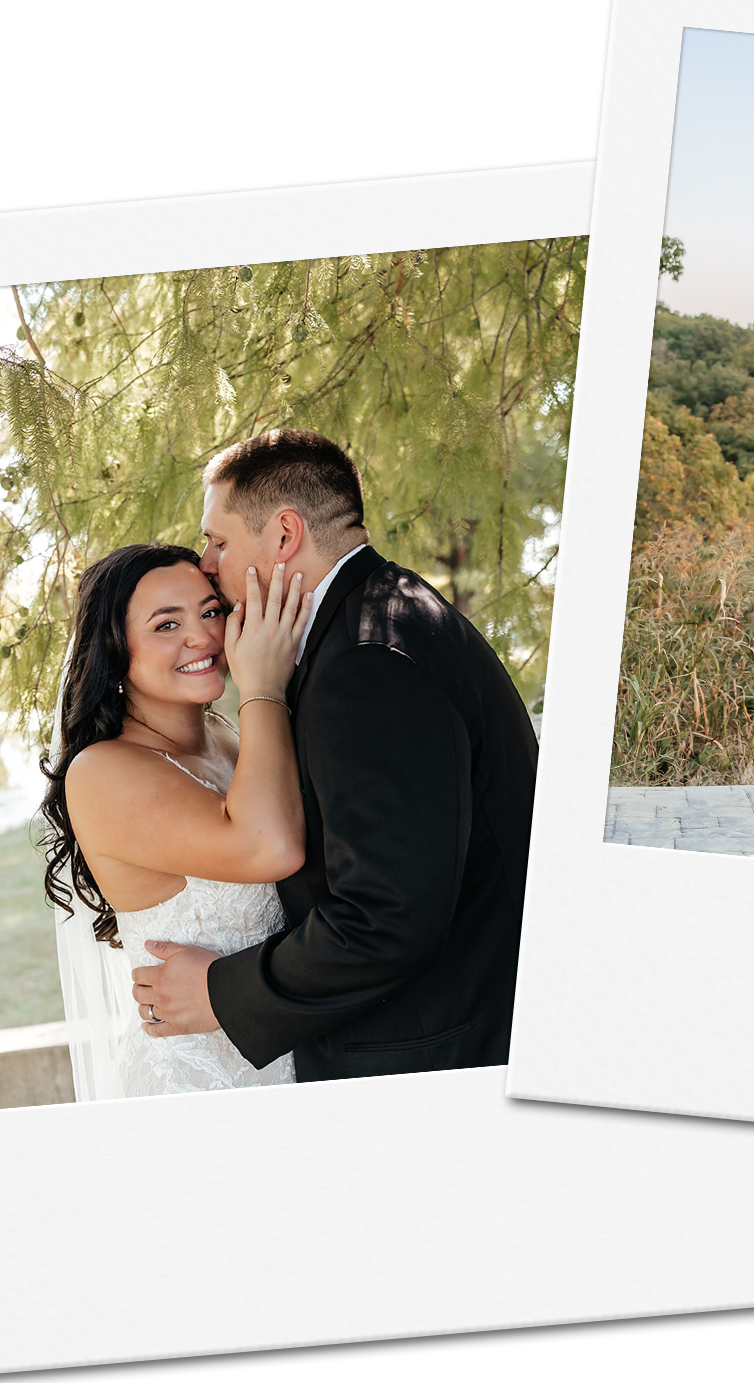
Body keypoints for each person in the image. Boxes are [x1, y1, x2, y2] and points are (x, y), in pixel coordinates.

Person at [130, 429, 538, 1081]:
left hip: (425, 1061)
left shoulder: (365, 665)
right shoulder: (390, 614)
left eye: (220, 541)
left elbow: (386, 916)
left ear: (285, 535)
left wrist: (221, 993)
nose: (206, 562)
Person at [40, 542, 313, 1095]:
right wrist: (263, 686)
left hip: (290, 1049)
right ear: (116, 653)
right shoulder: (102, 771)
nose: (203, 637)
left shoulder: (231, 739)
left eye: (211, 611)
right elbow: (270, 849)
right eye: (167, 625)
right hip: (202, 1079)